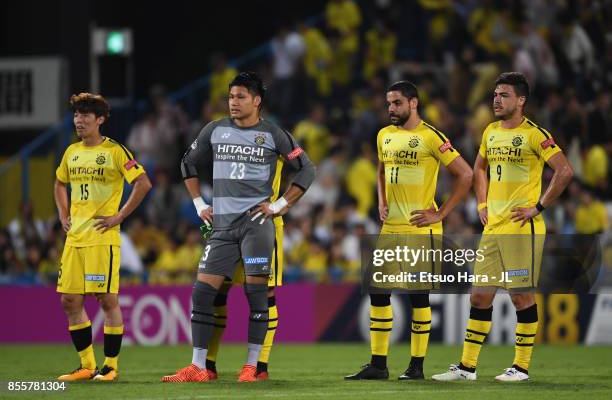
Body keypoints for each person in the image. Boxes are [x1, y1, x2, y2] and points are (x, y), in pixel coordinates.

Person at [162, 71, 315, 383]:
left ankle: (252, 367)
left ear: (256, 101)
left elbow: (306, 169)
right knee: (203, 294)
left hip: (257, 225)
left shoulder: (273, 134)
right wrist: (198, 204)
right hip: (222, 227)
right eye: (231, 97)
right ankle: (199, 367)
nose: (233, 102)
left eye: (240, 96)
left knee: (257, 295)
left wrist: (279, 206)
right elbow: (187, 163)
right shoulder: (215, 130)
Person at [432, 72, 573, 382]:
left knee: (521, 297)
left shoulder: (535, 134)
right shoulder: (491, 132)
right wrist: (482, 204)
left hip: (523, 228)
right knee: (479, 297)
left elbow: (564, 171)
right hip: (493, 229)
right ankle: (467, 368)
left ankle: (520, 367)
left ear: (521, 100)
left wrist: (538, 207)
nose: (496, 99)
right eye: (495, 94)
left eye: (504, 95)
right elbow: (479, 168)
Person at [345, 81, 472, 380]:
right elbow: (380, 169)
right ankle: (378, 364)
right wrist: (381, 201)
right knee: (377, 291)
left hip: (420, 229)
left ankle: (416, 366)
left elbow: (465, 174)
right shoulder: (384, 135)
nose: (391, 109)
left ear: (413, 103)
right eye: (389, 103)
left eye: (397, 103)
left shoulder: (431, 137)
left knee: (418, 297)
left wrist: (441, 212)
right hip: (391, 227)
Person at [54, 93, 152, 381]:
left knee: (106, 299)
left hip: (101, 237)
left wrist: (119, 217)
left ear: (100, 120)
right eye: (76, 115)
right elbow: (60, 182)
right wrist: (62, 214)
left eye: (85, 116)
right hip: (75, 237)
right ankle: (86, 365)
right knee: (69, 301)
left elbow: (143, 183)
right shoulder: (71, 152)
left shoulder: (116, 152)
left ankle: (110, 366)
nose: (79, 121)